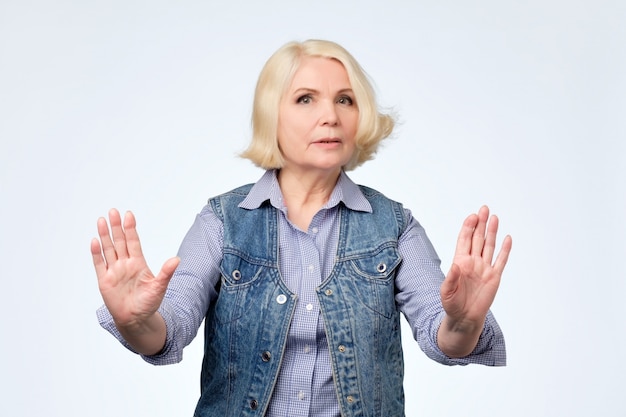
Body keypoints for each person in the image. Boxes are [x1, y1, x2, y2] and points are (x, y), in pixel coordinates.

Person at [92, 39, 512, 417]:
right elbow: (169, 328)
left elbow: (444, 337)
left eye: (345, 100)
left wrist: (463, 322)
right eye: (306, 99)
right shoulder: (222, 222)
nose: (330, 115)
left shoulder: (395, 226)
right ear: (271, 116)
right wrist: (135, 321)